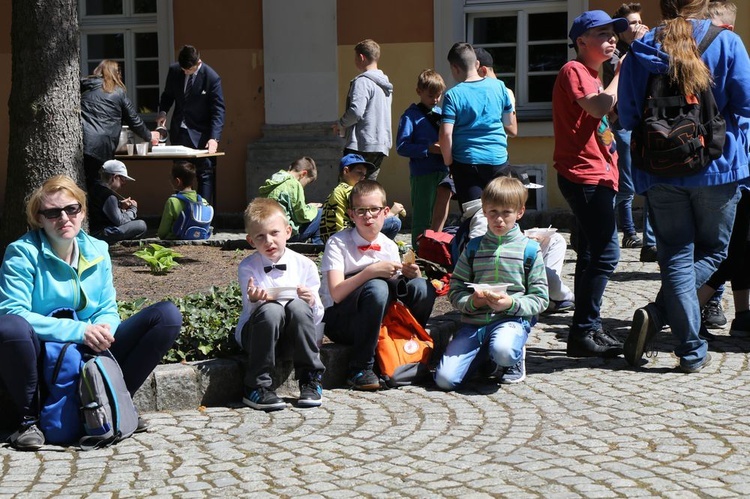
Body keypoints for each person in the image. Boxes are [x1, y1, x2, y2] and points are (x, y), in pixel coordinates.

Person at [0, 175, 181, 450]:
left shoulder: (98, 250)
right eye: (52, 212)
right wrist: (81, 331)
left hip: (89, 345)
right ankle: (27, 421)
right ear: (39, 218)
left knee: (166, 317)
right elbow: (13, 311)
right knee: (11, 327)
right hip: (42, 352)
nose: (64, 218)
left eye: (71, 209)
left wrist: (103, 330)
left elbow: (107, 307)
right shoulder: (22, 253)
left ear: (82, 211)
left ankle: (114, 402)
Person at [618, 0, 750, 372]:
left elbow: (628, 116)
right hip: (718, 166)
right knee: (714, 253)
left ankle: (691, 347)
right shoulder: (727, 42)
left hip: (658, 169)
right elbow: (746, 103)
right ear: (704, 4)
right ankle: (659, 317)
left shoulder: (640, 49)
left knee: (675, 254)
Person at [553, 10, 629, 358]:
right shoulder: (575, 71)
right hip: (584, 175)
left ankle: (587, 330)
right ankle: (583, 330)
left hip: (599, 174)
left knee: (588, 255)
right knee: (606, 253)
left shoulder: (593, 74)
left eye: (614, 34)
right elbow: (599, 107)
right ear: (581, 41)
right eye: (603, 34)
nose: (612, 39)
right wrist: (620, 74)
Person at [434, 176, 548, 390]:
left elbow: (540, 298)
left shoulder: (529, 250)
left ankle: (509, 358)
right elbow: (456, 288)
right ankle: (485, 357)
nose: (499, 220)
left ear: (519, 212)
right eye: (493, 212)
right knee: (445, 380)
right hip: (474, 323)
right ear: (484, 211)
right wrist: (472, 302)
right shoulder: (474, 248)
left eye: (506, 213)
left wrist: (511, 304)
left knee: (504, 351)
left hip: (510, 319)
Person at [321, 180, 436, 390]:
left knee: (422, 287)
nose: (368, 216)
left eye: (374, 209)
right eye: (361, 210)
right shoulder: (338, 243)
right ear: (351, 214)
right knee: (377, 287)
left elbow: (397, 291)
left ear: (385, 212)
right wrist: (370, 272)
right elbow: (336, 293)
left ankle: (405, 349)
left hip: (379, 314)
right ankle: (360, 367)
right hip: (342, 320)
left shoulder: (389, 245)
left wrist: (412, 275)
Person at [233, 198, 325, 411]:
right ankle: (257, 385)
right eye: (260, 237)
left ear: (288, 232)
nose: (269, 242)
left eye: (274, 233)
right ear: (250, 241)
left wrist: (310, 300)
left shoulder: (305, 265)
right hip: (258, 335)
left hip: (293, 338)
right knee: (272, 310)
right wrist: (254, 300)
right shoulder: (248, 267)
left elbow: (317, 315)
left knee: (299, 307)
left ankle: (310, 379)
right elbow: (249, 311)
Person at [698, 0, 741, 330]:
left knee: (730, 244)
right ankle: (668, 310)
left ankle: (716, 306)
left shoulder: (729, 49)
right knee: (720, 247)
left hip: (728, 164)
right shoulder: (721, 48)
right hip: (718, 165)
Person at [601, 4, 655, 254]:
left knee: (651, 182)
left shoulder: (644, 48)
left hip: (646, 123)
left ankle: (650, 241)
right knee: (628, 182)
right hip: (622, 124)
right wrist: (638, 45)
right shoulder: (614, 55)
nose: (637, 27)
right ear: (621, 29)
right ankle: (629, 232)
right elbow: (626, 78)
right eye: (631, 23)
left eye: (639, 22)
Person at [439, 43, 517, 210]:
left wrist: (449, 163)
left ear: (454, 67)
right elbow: (509, 123)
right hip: (499, 161)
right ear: (476, 64)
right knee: (499, 212)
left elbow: (446, 135)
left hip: (466, 162)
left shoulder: (453, 95)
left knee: (474, 216)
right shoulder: (500, 87)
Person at [157, 45, 225, 205]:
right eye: (183, 69)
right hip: (179, 132)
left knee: (204, 174)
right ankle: (181, 213)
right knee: (181, 175)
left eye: (189, 70)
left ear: (198, 62)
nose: (185, 72)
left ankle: (204, 216)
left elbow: (218, 110)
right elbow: (167, 95)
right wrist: (163, 112)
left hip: (201, 134)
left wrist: (214, 138)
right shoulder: (175, 71)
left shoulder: (211, 77)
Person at [80, 60, 159, 190]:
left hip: (82, 142)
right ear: (117, 74)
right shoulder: (118, 92)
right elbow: (133, 119)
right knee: (98, 185)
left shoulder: (84, 86)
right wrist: (149, 136)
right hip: (102, 146)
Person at [396, 69, 449, 243]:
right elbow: (402, 147)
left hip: (442, 171)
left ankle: (435, 249)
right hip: (422, 174)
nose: (435, 100)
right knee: (422, 216)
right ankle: (419, 253)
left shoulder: (442, 114)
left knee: (439, 216)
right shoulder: (410, 116)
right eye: (431, 96)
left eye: (438, 96)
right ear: (419, 92)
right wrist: (427, 149)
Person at [332, 39, 393, 180]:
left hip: (360, 144)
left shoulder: (362, 81)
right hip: (380, 145)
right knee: (368, 190)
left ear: (361, 57)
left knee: (349, 189)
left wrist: (341, 124)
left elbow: (356, 112)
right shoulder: (385, 85)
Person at [320, 154, 403, 243]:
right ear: (346, 171)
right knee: (394, 222)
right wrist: (391, 212)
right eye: (359, 172)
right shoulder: (350, 191)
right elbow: (366, 215)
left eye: (364, 174)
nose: (363, 177)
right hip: (345, 239)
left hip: (330, 239)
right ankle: (376, 249)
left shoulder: (336, 191)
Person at [257, 157, 323, 245]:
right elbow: (302, 216)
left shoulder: (275, 179)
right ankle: (318, 248)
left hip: (267, 232)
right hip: (285, 235)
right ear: (303, 174)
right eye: (307, 182)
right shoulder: (293, 184)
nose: (304, 186)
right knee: (321, 214)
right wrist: (311, 208)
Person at [87, 160, 148, 243]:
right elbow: (120, 221)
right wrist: (133, 209)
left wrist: (119, 205)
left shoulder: (95, 188)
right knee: (141, 225)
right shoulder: (109, 196)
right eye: (123, 180)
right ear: (114, 177)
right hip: (101, 233)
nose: (124, 184)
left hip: (95, 230)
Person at [157, 160, 211, 240]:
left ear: (177, 181)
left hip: (176, 239)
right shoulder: (203, 201)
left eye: (171, 177)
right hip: (200, 238)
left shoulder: (172, 201)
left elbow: (162, 232)